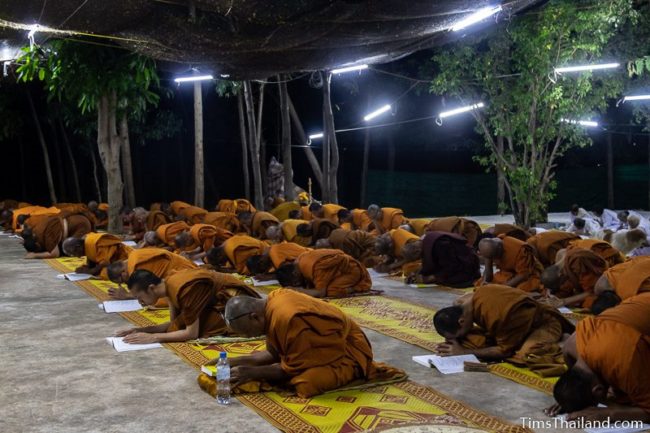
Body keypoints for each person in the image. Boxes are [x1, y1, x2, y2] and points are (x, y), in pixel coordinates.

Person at [206, 290, 404, 398]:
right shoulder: (270, 307)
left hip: (345, 349)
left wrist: (254, 373)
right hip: (314, 348)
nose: (250, 337)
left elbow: (289, 369)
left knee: (306, 384)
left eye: (248, 332)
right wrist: (234, 360)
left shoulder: (287, 317)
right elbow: (273, 354)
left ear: (254, 317)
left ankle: (354, 370)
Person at [547, 293, 650, 423]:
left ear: (598, 390)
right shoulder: (569, 349)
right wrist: (567, 399)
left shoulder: (625, 365)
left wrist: (610, 414)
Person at [433, 284, 574, 363]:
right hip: (512, 327)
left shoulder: (498, 315)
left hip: (542, 324)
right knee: (470, 340)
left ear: (461, 321)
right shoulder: (462, 303)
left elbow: (504, 351)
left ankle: (563, 342)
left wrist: (464, 352)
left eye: (457, 333)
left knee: (527, 356)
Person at [115, 269, 261, 343]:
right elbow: (175, 324)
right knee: (177, 327)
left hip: (239, 304)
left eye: (139, 297)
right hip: (216, 301)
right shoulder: (168, 285)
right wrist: (139, 330)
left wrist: (153, 338)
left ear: (151, 288)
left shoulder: (184, 290)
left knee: (206, 327)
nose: (140, 302)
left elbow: (191, 333)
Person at [275, 249, 371, 298]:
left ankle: (356, 287)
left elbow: (320, 293)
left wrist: (296, 290)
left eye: (295, 282)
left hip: (352, 271)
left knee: (332, 291)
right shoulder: (300, 259)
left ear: (295, 273)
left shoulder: (315, 268)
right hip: (339, 268)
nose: (298, 284)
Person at [541, 247, 607, 309]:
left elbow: (591, 292)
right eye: (578, 276)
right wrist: (548, 292)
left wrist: (564, 301)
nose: (580, 280)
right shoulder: (568, 264)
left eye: (584, 275)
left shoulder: (604, 278)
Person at [409, 231, 480, 287]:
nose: (420, 258)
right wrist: (416, 274)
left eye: (418, 257)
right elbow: (432, 262)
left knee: (450, 280)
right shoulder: (425, 239)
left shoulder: (440, 244)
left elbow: (452, 266)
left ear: (417, 251)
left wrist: (431, 278)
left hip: (467, 265)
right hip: (455, 260)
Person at [475, 236, 543, 292]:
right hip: (507, 273)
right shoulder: (489, 249)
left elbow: (524, 275)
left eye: (496, 256)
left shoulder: (520, 249)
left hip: (529, 273)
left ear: (500, 248)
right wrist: (485, 281)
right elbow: (488, 271)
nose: (496, 260)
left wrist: (502, 287)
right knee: (481, 283)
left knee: (522, 289)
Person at [22, 213, 93, 259]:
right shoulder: (36, 231)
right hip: (76, 220)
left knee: (70, 250)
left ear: (37, 243)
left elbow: (55, 254)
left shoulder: (45, 234)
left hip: (81, 225)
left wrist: (35, 255)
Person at [62, 232, 133, 278]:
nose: (76, 256)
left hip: (125, 257)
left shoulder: (94, 243)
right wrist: (88, 267)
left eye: (73, 253)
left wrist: (90, 271)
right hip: (113, 261)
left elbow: (105, 263)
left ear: (78, 247)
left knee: (106, 273)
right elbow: (92, 257)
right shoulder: (86, 244)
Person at [245, 242, 311, 278]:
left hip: (310, 259)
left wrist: (269, 277)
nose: (266, 271)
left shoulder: (276, 257)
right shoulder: (270, 250)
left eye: (262, 270)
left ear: (261, 262)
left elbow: (290, 272)